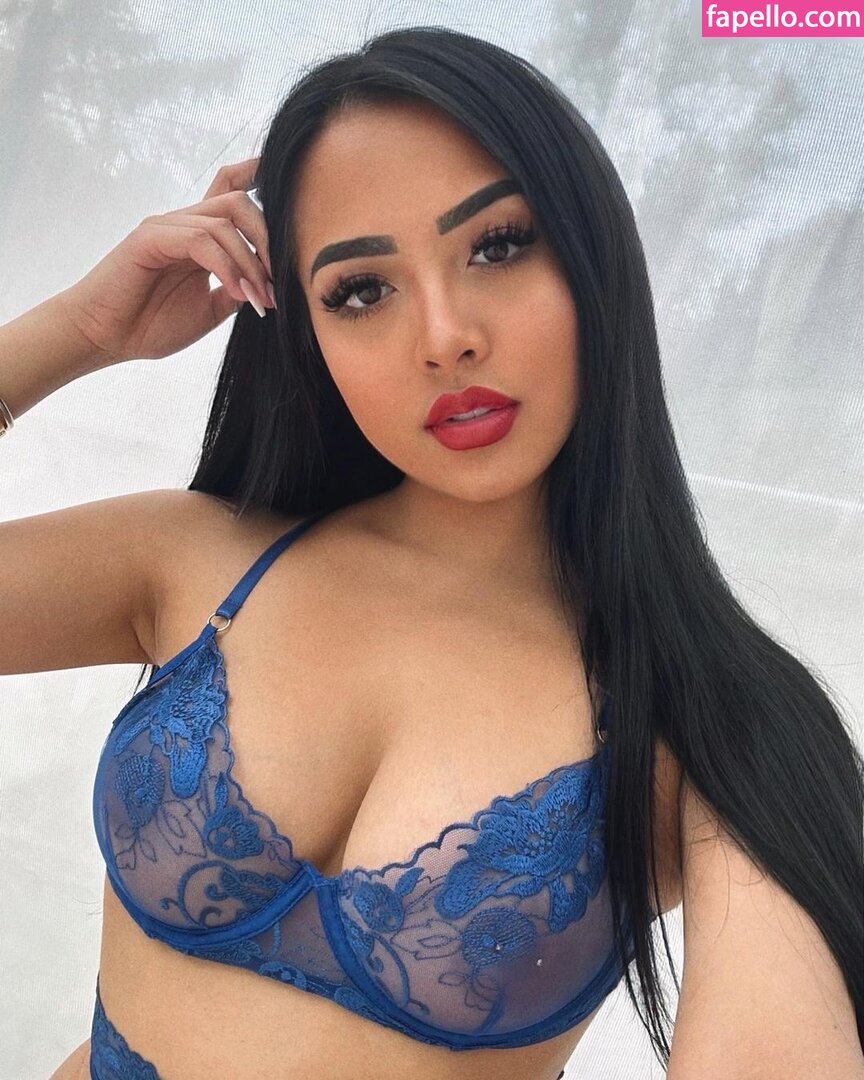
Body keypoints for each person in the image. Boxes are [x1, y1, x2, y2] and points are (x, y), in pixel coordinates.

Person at [2, 25, 861, 1080]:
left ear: (591, 253)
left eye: (497, 245)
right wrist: (78, 331)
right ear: (305, 333)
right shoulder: (191, 559)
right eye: (362, 290)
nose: (445, 335)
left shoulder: (711, 723)